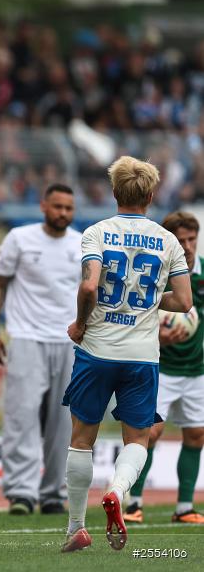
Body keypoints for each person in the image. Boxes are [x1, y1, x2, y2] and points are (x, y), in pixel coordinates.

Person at [61, 156, 192, 553]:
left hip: (97, 350)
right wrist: (150, 302)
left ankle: (76, 528)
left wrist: (81, 323)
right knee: (137, 438)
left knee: (82, 439)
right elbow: (184, 301)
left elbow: (88, 288)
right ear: (151, 196)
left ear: (115, 192)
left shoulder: (96, 232)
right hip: (142, 356)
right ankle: (117, 489)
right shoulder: (169, 241)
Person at [0, 184, 81, 515]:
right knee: (22, 414)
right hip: (26, 336)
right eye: (57, 207)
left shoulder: (82, 243)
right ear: (43, 206)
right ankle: (21, 492)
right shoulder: (20, 239)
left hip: (69, 340)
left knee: (64, 420)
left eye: (69, 208)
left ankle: (54, 492)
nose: (63, 214)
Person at [125, 212, 204, 525]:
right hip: (161, 366)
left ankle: (184, 507)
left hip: (197, 369)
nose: (186, 246)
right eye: (180, 240)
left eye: (191, 239)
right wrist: (157, 335)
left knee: (196, 435)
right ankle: (134, 503)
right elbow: (136, 313)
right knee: (150, 432)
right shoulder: (156, 273)